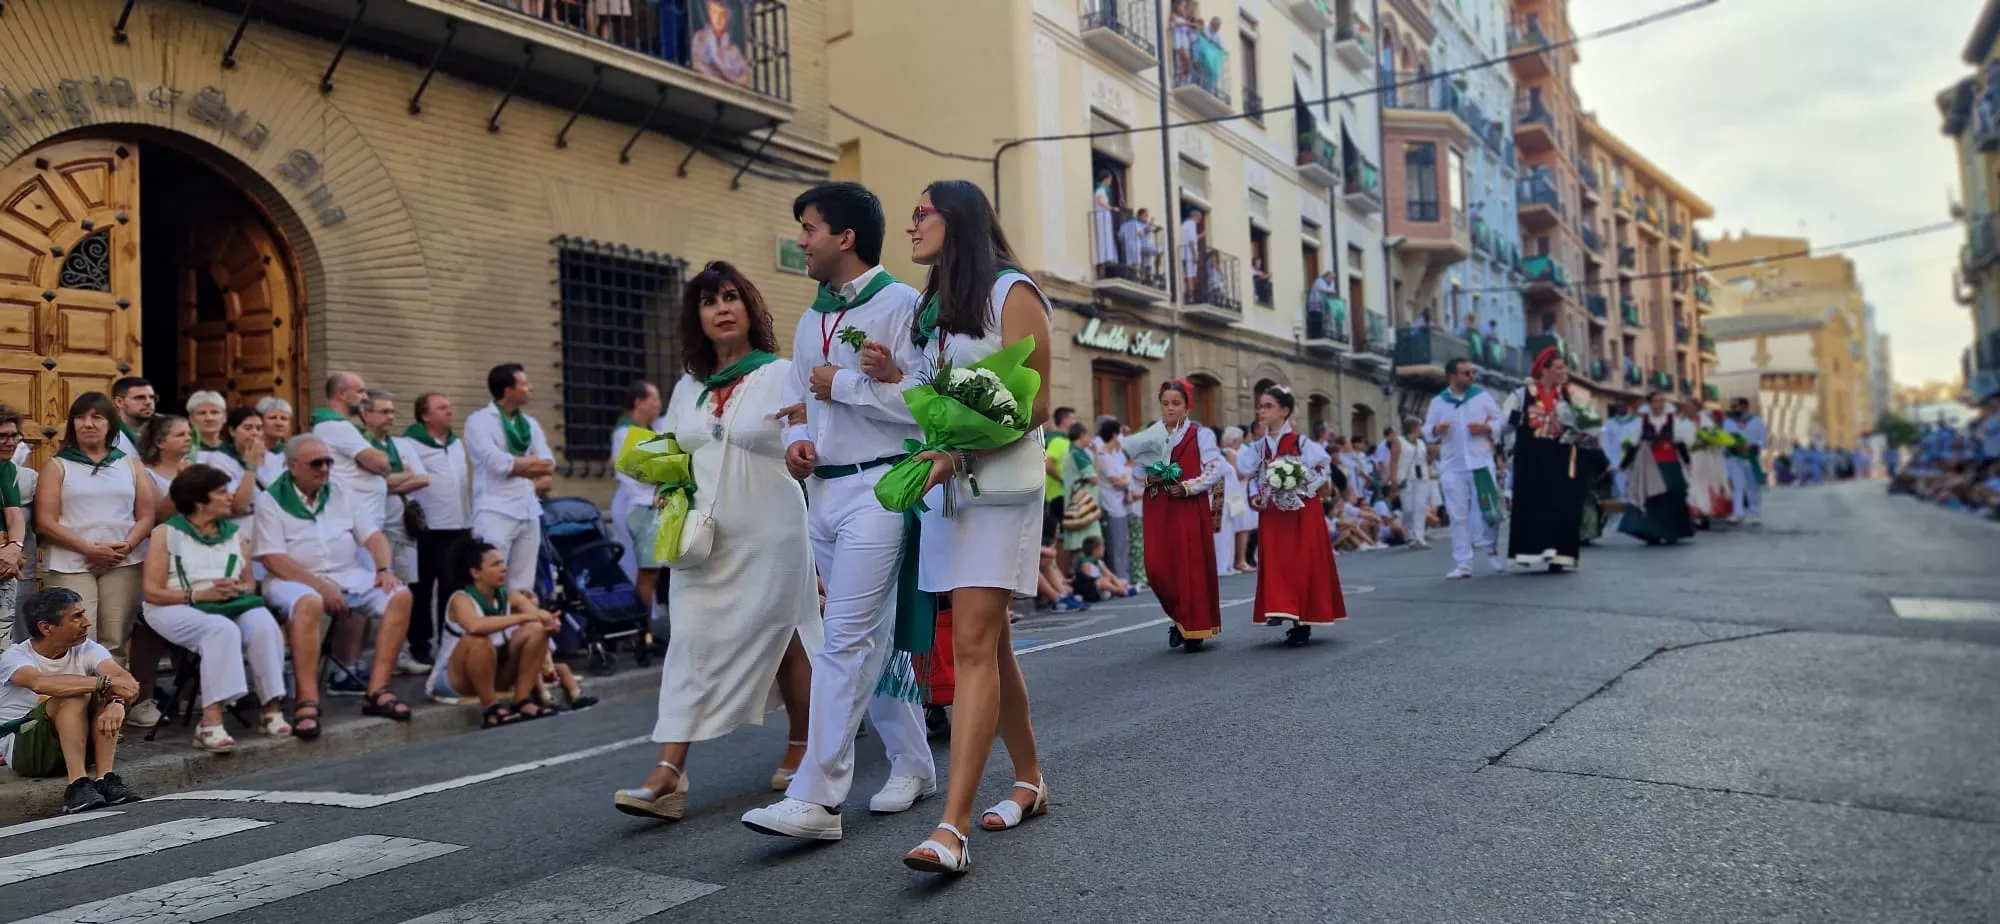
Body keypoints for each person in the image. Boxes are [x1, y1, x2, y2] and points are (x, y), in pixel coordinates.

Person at [740, 182, 936, 843]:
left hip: (882, 490)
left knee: (843, 641)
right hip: (823, 494)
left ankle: (817, 797)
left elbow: (928, 404)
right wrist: (801, 445)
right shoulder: (808, 318)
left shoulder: (905, 306)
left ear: (845, 238)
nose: (801, 240)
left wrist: (849, 384)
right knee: (868, 641)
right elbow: (805, 404)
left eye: (810, 228)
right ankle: (913, 763)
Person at [615, 262, 819, 821]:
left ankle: (803, 744)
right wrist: (668, 488)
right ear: (696, 318)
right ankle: (669, 772)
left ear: (750, 307)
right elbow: (678, 455)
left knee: (786, 639)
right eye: (709, 302)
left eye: (731, 297)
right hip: (702, 536)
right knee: (689, 640)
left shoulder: (783, 373)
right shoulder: (688, 388)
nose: (722, 308)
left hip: (772, 530)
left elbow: (814, 444)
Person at [894, 180, 1051, 875]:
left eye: (921, 212)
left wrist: (958, 448)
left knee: (976, 642)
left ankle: (951, 828)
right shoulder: (935, 308)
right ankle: (1031, 781)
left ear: (956, 219)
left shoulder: (1010, 291)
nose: (910, 223)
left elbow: (1038, 401)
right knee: (995, 644)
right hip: (950, 492)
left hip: (1000, 490)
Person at [254, 435, 416, 735]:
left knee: (399, 594)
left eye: (328, 461)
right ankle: (307, 699)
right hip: (291, 579)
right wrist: (321, 586)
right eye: (317, 463)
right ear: (293, 466)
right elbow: (273, 558)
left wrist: (383, 568)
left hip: (345, 572)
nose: (325, 468)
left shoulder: (342, 491)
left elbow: (372, 536)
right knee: (309, 601)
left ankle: (377, 690)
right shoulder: (271, 500)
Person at [139, 464, 291, 750]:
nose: (230, 496)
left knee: (262, 623)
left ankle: (271, 709)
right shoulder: (166, 534)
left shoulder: (235, 535)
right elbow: (152, 592)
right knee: (220, 630)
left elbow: (249, 585)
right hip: (172, 605)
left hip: (225, 603)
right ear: (199, 501)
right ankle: (210, 721)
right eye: (221, 492)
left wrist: (234, 589)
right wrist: (200, 595)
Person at [37, 393, 158, 659]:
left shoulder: (129, 464)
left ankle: (112, 697)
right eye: (80, 418)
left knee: (114, 638)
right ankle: (78, 697)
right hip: (71, 562)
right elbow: (45, 521)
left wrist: (126, 547)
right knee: (76, 635)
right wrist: (89, 550)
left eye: (96, 417)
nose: (88, 424)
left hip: (122, 562)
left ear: (110, 425)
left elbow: (147, 515)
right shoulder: (58, 465)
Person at [0, 588, 142, 811]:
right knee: (76, 693)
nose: (86, 622)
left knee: (102, 694)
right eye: (76, 617)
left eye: (83, 614)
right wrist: (104, 684)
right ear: (46, 628)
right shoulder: (15, 656)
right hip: (27, 753)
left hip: (77, 744)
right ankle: (76, 785)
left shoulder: (87, 648)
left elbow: (126, 681)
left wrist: (116, 703)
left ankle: (105, 780)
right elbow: (40, 683)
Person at [1242, 386, 1343, 646]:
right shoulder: (1259, 447)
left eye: (1268, 406)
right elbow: (1252, 476)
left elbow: (1322, 473)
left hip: (1300, 512)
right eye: (1260, 406)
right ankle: (1280, 608)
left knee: (1301, 562)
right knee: (1277, 562)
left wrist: (1295, 481)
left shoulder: (1302, 443)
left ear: (1284, 411)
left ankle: (1302, 622)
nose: (1261, 410)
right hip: (1274, 514)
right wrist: (1255, 495)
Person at [428, 540, 556, 729]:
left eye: (503, 563)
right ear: (475, 573)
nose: (503, 568)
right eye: (495, 564)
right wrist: (525, 616)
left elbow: (536, 618)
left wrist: (549, 622)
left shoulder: (508, 595)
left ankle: (521, 701)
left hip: (495, 673)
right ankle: (491, 709)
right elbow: (475, 626)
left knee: (537, 630)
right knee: (477, 639)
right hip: (455, 679)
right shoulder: (461, 599)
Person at [1144, 380, 1224, 650]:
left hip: (1188, 507)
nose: (1170, 408)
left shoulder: (1200, 434)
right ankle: (1179, 616)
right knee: (1157, 567)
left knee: (1188, 567)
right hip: (1158, 509)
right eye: (1165, 403)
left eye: (1175, 403)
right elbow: (1134, 472)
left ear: (1187, 406)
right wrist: (1149, 477)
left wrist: (1189, 487)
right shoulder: (1152, 435)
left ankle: (1191, 624)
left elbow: (1215, 469)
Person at [465, 364, 557, 593]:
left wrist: (515, 465)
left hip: (528, 509)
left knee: (523, 584)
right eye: (524, 384)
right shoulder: (479, 421)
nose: (530, 388)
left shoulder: (530, 424)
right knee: (490, 580)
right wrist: (528, 465)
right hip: (495, 511)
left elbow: (549, 463)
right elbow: (496, 464)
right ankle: (491, 628)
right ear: (508, 391)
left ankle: (519, 628)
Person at [1502, 347, 1588, 572]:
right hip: (1531, 459)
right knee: (1535, 504)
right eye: (1559, 367)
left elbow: (1579, 423)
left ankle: (1559, 554)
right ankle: (1536, 549)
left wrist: (1578, 432)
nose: (1563, 372)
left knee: (1562, 503)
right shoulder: (1522, 394)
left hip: (1559, 456)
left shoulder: (1566, 395)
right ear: (1545, 369)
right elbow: (1506, 424)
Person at [1423, 359, 1506, 579]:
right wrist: (1436, 428)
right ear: (1452, 376)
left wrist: (1487, 427)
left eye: (1472, 372)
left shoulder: (1481, 396)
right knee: (1457, 515)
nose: (1471, 376)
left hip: (1481, 463)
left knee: (1489, 512)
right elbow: (1427, 429)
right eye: (1466, 373)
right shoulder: (1439, 402)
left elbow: (1501, 420)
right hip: (1453, 466)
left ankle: (1491, 548)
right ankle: (1463, 562)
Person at [404, 393, 471, 667]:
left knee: (453, 587)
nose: (449, 411)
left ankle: (451, 640)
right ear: (425, 416)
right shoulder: (409, 444)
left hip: (460, 525)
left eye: (449, 406)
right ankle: (420, 645)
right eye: (442, 407)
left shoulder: (457, 444)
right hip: (429, 528)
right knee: (422, 589)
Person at [1618, 390, 1697, 545]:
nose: (1660, 404)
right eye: (1656, 400)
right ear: (1649, 403)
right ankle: (1651, 532)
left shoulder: (1673, 420)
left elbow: (1680, 443)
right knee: (1653, 498)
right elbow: (1634, 444)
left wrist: (1687, 462)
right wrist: (1624, 464)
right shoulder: (1642, 421)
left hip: (1670, 463)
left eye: (1662, 400)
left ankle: (1671, 531)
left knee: (1672, 496)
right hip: (1650, 464)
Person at [610, 381, 665, 585]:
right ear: (638, 402)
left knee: (655, 569)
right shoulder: (624, 433)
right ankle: (639, 615)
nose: (658, 404)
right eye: (654, 399)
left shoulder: (655, 429)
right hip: (637, 505)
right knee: (641, 568)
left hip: (656, 504)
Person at [1094, 419, 1134, 581]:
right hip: (1111, 504)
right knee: (1116, 543)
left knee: (1124, 542)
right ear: (1114, 435)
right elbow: (1117, 480)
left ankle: (1124, 575)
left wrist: (1125, 480)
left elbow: (1124, 475)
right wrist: (1125, 480)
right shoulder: (1103, 455)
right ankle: (1119, 576)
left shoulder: (1115, 455)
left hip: (1122, 503)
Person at [0, 408, 27, 650]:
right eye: (2, 436)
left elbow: (14, 513)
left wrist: (14, 548)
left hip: (3, 561)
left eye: (14, 436)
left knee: (2, 640)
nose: (10, 443)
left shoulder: (7, 468)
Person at [1215, 425, 1256, 575]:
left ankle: (1236, 560)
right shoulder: (1230, 453)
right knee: (1241, 526)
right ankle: (1240, 560)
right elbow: (1237, 473)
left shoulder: (1228, 453)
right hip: (1235, 495)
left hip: (1237, 493)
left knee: (1238, 526)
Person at [1060, 422, 1102, 559]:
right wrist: (1096, 455)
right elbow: (1094, 478)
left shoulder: (1073, 452)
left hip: (1077, 505)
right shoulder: (1078, 455)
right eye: (1088, 434)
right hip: (1084, 506)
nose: (1090, 438)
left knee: (1078, 544)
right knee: (1088, 545)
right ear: (1081, 435)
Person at [1722, 397, 1766, 526]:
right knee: (1737, 485)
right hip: (1734, 457)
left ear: (1745, 406)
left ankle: (1755, 513)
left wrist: (1753, 445)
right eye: (1732, 406)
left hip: (1751, 457)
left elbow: (1763, 440)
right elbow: (1723, 439)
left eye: (1736, 406)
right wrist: (1728, 447)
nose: (1733, 409)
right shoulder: (1728, 422)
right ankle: (1738, 512)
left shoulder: (1756, 421)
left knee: (1753, 486)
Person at [1396, 416, 1433, 550]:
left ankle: (1419, 537)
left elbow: (1425, 461)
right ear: (1414, 428)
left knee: (1420, 507)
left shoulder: (1421, 443)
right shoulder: (1399, 441)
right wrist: (1393, 479)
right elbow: (1393, 460)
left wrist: (1433, 454)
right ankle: (1409, 535)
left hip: (1421, 477)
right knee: (1408, 509)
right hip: (1405, 478)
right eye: (1420, 426)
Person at [109, 377, 156, 458]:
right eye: (140, 397)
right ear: (119, 402)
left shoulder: (166, 431)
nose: (148, 402)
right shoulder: (107, 436)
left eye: (151, 397)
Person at [255, 396, 294, 489]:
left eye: (284, 418)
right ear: (260, 421)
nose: (279, 423)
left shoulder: (293, 452)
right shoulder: (249, 451)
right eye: (272, 418)